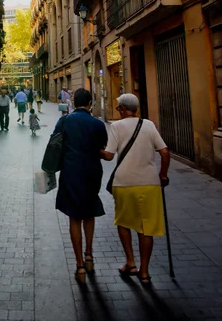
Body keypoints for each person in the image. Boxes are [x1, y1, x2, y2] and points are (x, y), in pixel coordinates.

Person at [101, 93, 170, 286]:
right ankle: (145, 272)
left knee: (123, 222)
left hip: (124, 183)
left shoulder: (116, 126)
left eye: (118, 108)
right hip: (149, 183)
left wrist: (96, 149)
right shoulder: (148, 125)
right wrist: (163, 175)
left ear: (123, 108)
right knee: (146, 227)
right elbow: (164, 152)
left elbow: (108, 156)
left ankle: (130, 263)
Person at [52, 88, 107, 283]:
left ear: (73, 103)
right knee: (89, 212)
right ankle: (89, 255)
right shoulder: (97, 124)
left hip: (71, 172)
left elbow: (54, 144)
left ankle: (79, 266)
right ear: (90, 103)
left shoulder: (64, 121)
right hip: (92, 171)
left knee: (74, 217)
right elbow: (103, 147)